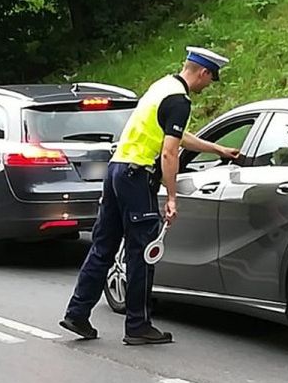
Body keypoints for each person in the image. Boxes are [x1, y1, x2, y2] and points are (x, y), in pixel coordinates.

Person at [60, 46, 238, 345]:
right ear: (204, 73)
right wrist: (171, 197)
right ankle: (138, 325)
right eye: (211, 79)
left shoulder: (162, 86)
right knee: (142, 251)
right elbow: (169, 153)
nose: (208, 86)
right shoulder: (180, 101)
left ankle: (77, 314)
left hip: (116, 170)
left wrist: (217, 149)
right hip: (137, 176)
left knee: (103, 247)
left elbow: (174, 135)